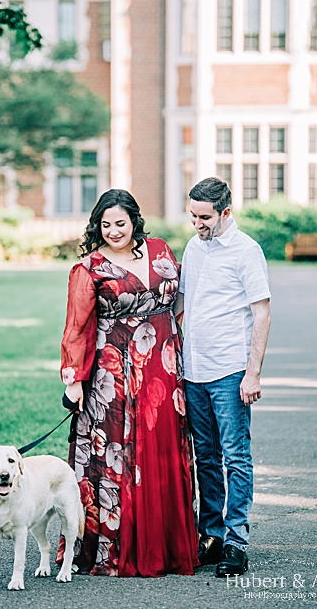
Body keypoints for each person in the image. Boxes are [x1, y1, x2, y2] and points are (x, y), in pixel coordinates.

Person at [58, 189, 197, 577]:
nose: (113, 231)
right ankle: (115, 549)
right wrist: (74, 380)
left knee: (163, 449)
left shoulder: (162, 250)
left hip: (164, 367)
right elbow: (77, 327)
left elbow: (182, 300)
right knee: (118, 453)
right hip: (113, 372)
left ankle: (167, 546)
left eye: (120, 223)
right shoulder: (89, 268)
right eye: (105, 224)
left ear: (135, 220)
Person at [177, 177, 271, 578]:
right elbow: (181, 302)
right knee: (206, 458)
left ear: (225, 213)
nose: (197, 224)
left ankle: (236, 541)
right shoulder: (193, 247)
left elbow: (262, 314)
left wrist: (253, 374)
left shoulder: (247, 251)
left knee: (236, 457)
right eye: (193, 216)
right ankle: (211, 535)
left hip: (230, 371)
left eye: (205, 217)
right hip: (193, 370)